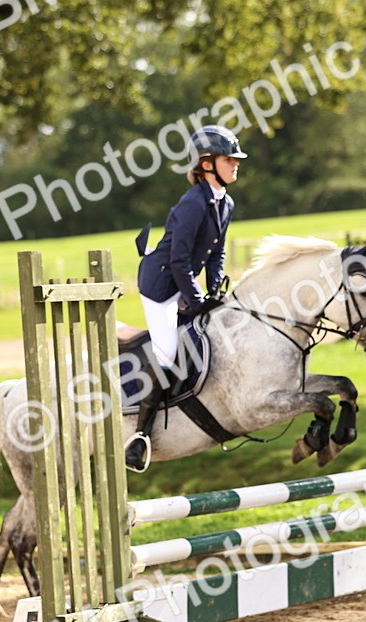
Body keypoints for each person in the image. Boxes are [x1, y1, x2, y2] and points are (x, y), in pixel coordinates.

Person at [125, 125, 247, 472]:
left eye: (235, 159)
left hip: (185, 280)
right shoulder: (192, 204)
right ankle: (140, 437)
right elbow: (179, 261)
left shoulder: (225, 202)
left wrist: (214, 290)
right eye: (229, 159)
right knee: (167, 351)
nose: (236, 164)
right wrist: (196, 303)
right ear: (206, 164)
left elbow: (216, 253)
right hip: (162, 285)